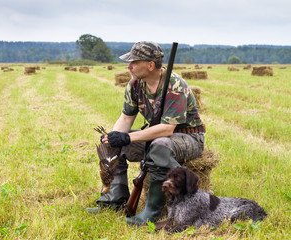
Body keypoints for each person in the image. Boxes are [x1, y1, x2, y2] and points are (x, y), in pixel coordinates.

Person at [87, 41, 205, 226]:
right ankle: (114, 198)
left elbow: (167, 129)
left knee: (159, 146)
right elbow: (126, 118)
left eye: (134, 62)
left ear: (150, 65)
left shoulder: (174, 84)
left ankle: (152, 212)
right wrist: (114, 137)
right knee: (109, 143)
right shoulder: (135, 85)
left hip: (189, 137)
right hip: (158, 136)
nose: (129, 66)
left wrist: (128, 137)